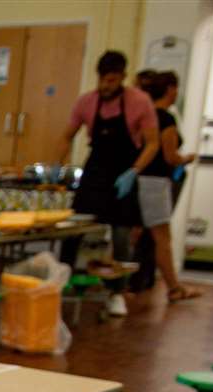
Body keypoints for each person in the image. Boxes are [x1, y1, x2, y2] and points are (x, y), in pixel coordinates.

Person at [55, 51, 159, 317]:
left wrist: (134, 171)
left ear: (122, 77)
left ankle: (117, 293)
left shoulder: (139, 102)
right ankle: (60, 284)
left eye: (111, 80)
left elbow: (152, 143)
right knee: (73, 231)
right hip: (96, 171)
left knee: (122, 237)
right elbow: (66, 136)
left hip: (124, 172)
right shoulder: (86, 102)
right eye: (102, 80)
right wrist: (60, 165)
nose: (106, 86)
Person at [132, 70, 200, 301]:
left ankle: (127, 285)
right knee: (162, 238)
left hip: (137, 179)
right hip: (155, 182)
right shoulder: (165, 119)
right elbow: (170, 156)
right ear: (170, 89)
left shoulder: (142, 115)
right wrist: (188, 158)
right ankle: (173, 287)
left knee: (134, 233)